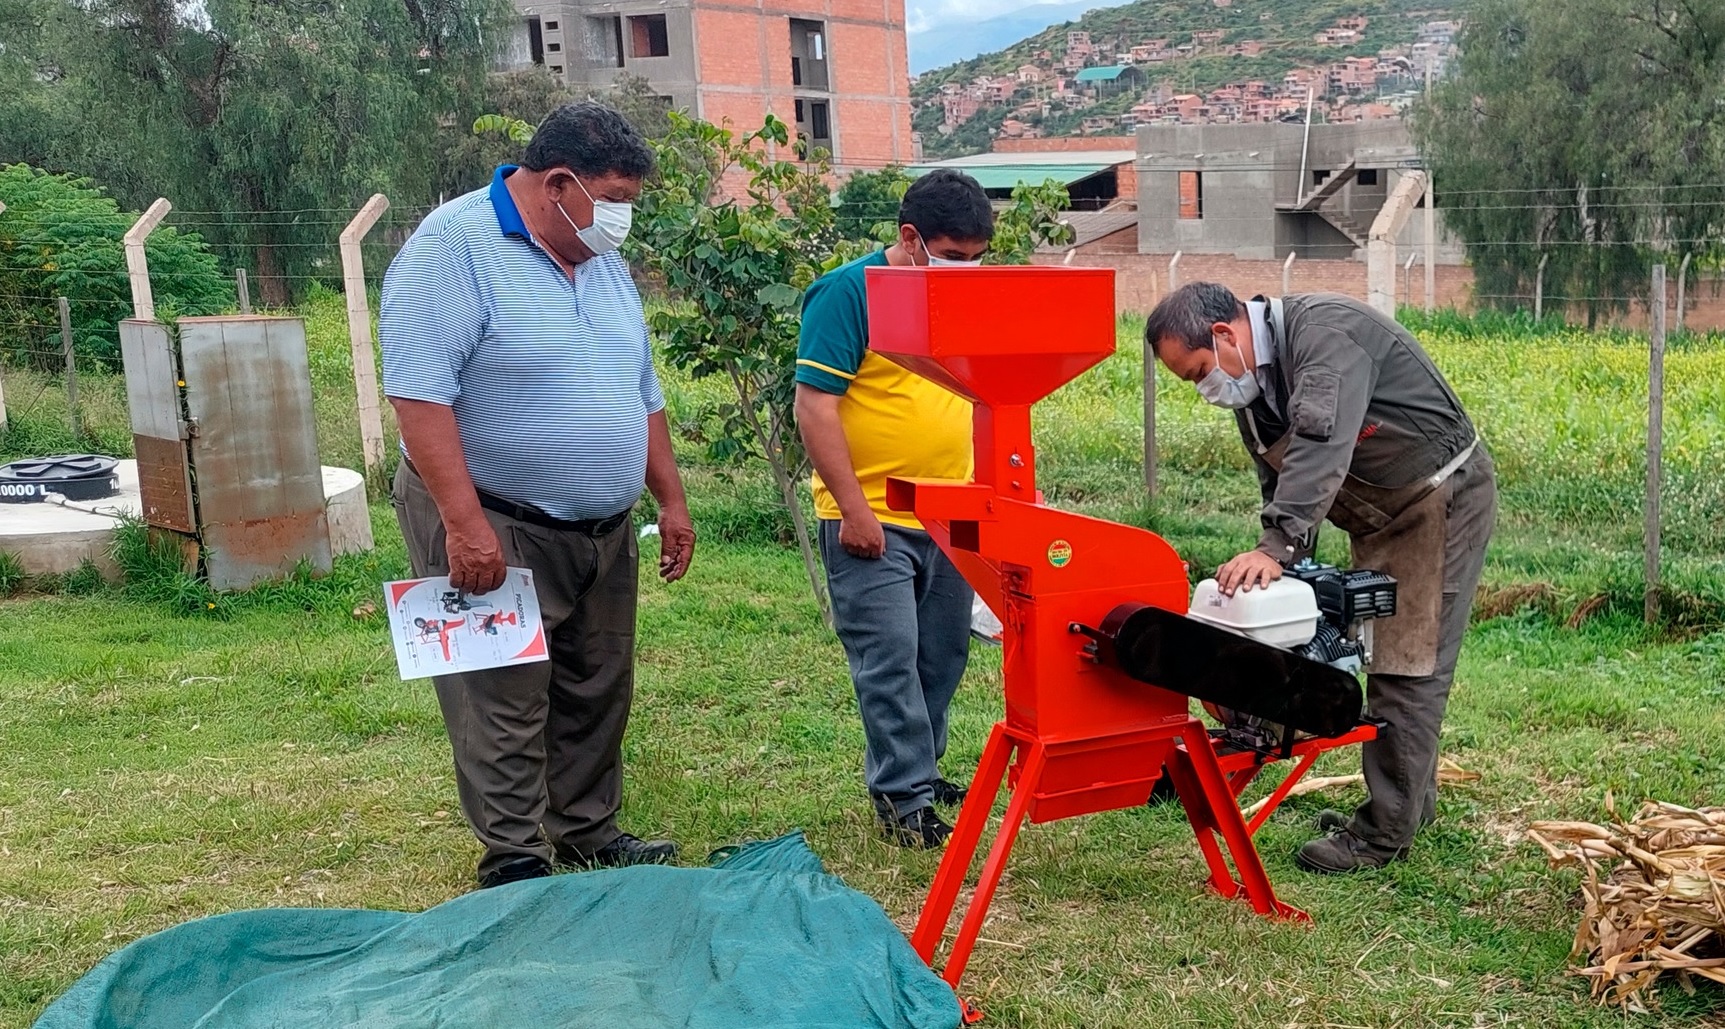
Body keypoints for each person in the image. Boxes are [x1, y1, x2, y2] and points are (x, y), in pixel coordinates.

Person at [380, 103, 696, 890]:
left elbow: (641, 389)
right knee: (503, 693)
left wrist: (671, 498)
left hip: (600, 526)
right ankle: (517, 856)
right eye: (613, 199)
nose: (621, 219)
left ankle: (588, 830)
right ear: (558, 184)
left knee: (596, 683)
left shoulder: (598, 258)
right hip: (493, 516)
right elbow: (419, 396)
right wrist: (464, 525)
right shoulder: (451, 248)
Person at [1144, 283, 1497, 874]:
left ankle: (1382, 836)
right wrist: (1281, 554)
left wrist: (1277, 547)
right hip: (1378, 514)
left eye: (1199, 371)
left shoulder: (1325, 338)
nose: (1204, 390)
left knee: (1407, 664)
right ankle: (1410, 804)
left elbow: (1319, 444)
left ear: (1227, 335)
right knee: (1379, 650)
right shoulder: (1254, 387)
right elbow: (1278, 478)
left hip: (1435, 499)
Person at [793, 169, 995, 849]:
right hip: (874, 514)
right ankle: (901, 798)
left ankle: (923, 767)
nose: (966, 270)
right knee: (889, 659)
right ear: (909, 238)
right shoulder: (849, 294)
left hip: (952, 513)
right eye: (952, 255)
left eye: (976, 258)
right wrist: (853, 511)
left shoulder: (957, 297)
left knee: (941, 656)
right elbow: (814, 405)